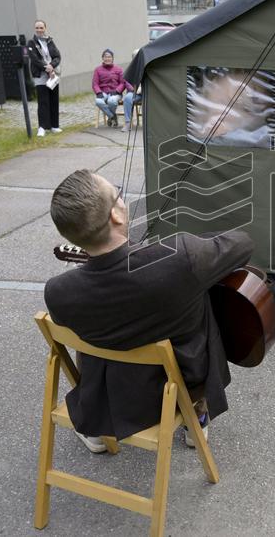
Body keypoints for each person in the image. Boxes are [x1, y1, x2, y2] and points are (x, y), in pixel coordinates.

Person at [44, 169, 254, 451]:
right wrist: (193, 248)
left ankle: (95, 431)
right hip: (177, 391)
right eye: (118, 193)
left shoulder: (58, 292)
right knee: (198, 293)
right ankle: (198, 414)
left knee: (99, 324)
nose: (122, 198)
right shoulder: (182, 257)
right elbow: (244, 243)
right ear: (116, 215)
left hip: (110, 395)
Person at [27, 20, 62, 137]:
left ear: (45, 28)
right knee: (43, 102)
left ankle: (54, 126)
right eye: (37, 28)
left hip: (52, 75)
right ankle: (42, 127)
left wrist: (52, 66)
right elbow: (34, 59)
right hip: (41, 75)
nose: (39, 30)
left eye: (41, 28)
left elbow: (57, 56)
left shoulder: (50, 41)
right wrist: (47, 68)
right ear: (34, 29)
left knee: (53, 100)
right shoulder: (31, 42)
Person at [91, 49, 137, 132]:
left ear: (112, 58)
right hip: (103, 92)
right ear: (102, 58)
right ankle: (112, 116)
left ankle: (111, 117)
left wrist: (117, 90)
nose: (107, 59)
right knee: (98, 101)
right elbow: (95, 83)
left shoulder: (118, 69)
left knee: (112, 101)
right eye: (105, 57)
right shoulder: (97, 70)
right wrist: (98, 92)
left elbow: (123, 82)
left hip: (115, 93)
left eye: (109, 57)